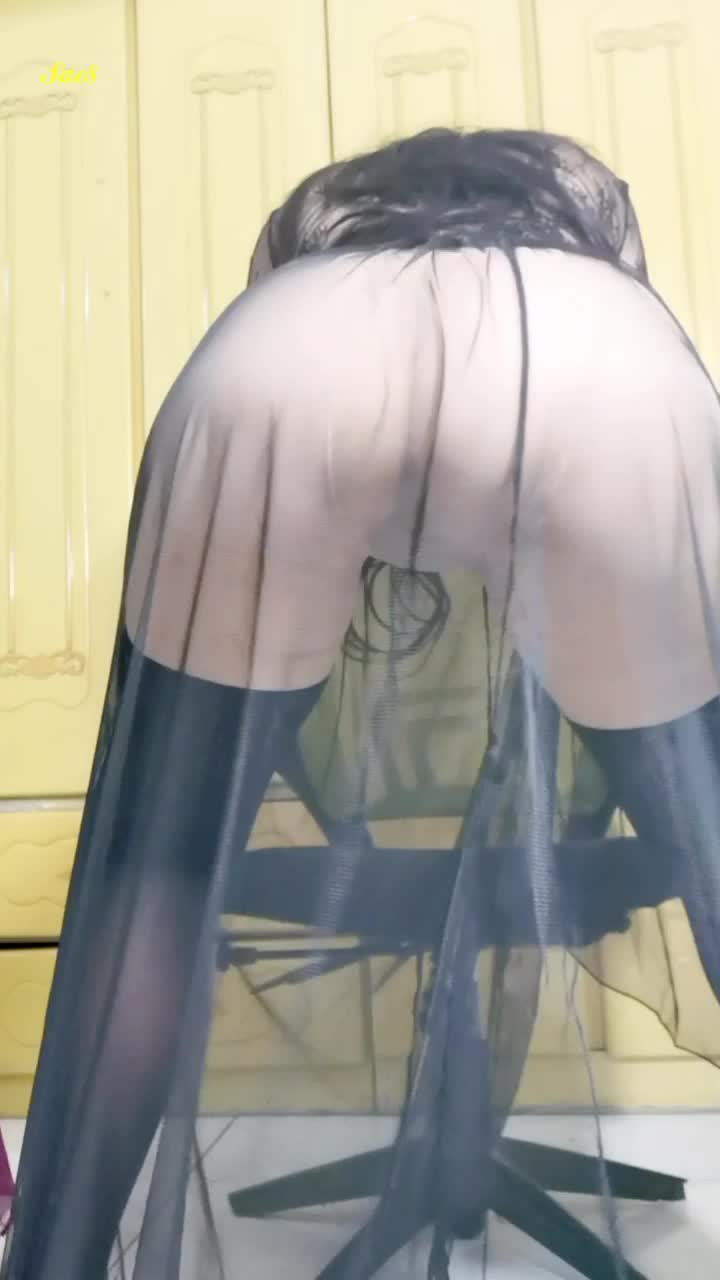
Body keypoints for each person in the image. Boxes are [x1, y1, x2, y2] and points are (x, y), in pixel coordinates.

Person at [4, 127, 720, 1280]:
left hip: (280, 364)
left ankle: (59, 1255)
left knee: (158, 879)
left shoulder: (316, 220)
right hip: (597, 365)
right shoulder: (582, 212)